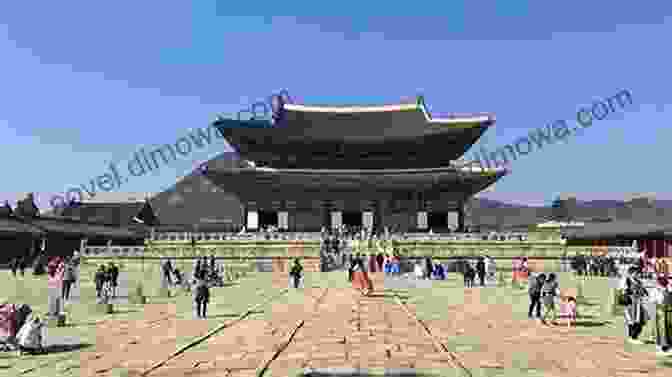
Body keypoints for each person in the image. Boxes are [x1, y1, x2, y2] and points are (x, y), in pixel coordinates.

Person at [621, 267, 649, 344]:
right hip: (631, 302)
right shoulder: (627, 280)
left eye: (637, 273)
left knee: (641, 320)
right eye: (635, 273)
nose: (637, 274)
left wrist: (644, 292)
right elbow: (624, 291)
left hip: (638, 302)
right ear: (630, 273)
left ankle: (633, 336)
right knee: (632, 321)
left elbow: (644, 292)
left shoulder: (639, 282)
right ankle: (632, 337)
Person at [651, 276, 672, 354]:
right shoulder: (656, 290)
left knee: (669, 328)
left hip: (669, 310)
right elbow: (653, 300)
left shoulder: (668, 289)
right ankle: (661, 347)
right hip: (661, 310)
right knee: (661, 328)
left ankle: (669, 346)